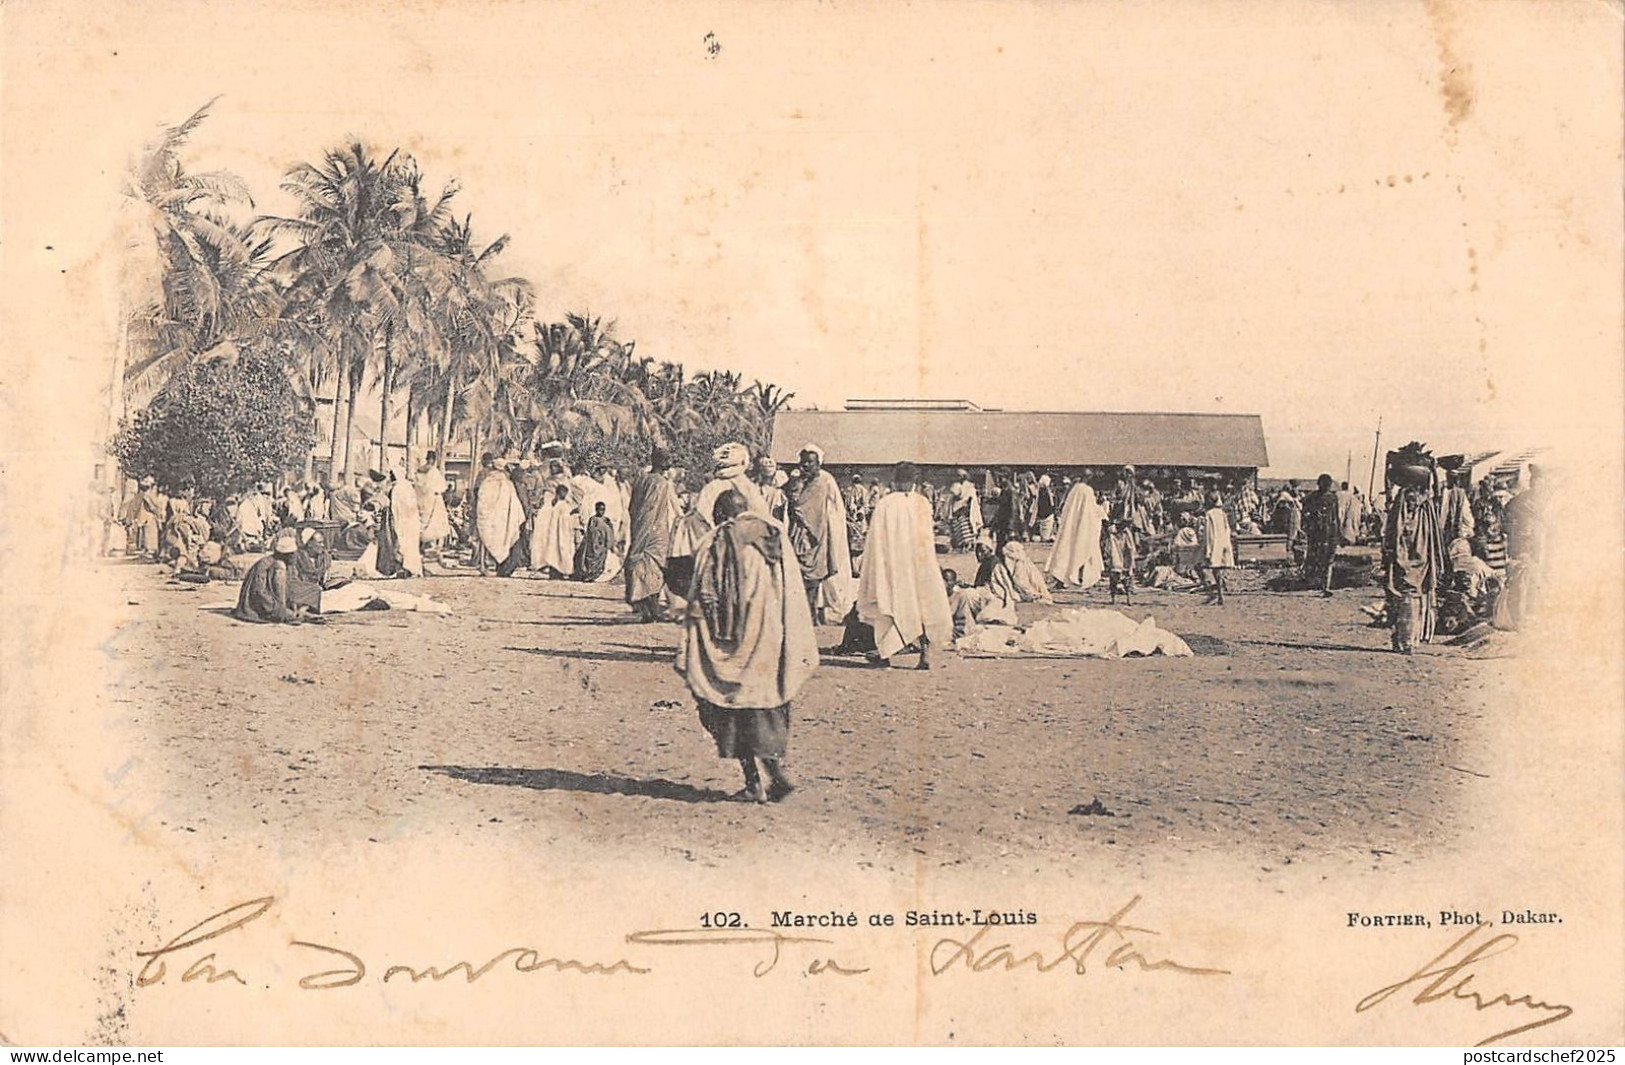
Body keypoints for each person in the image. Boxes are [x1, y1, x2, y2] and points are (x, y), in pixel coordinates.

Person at [676, 489, 817, 804]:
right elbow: (791, 591)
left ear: (723, 513)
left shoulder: (715, 541)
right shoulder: (774, 535)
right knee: (765, 705)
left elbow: (704, 595)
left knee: (728, 707)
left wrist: (693, 639)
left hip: (731, 645)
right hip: (768, 637)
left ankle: (754, 782)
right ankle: (775, 773)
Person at [856, 462, 954, 669]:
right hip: (919, 565)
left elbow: (875, 539)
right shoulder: (923, 503)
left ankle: (885, 654)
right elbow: (928, 539)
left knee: (889, 604)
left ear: (895, 479)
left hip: (893, 566)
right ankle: (924, 656)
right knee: (923, 606)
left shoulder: (886, 503)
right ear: (914, 481)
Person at [784, 443, 853, 625]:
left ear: (818, 464)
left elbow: (808, 508)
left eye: (810, 463)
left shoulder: (823, 481)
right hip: (799, 533)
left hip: (817, 534)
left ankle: (813, 615)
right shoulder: (799, 481)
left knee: (814, 577)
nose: (805, 466)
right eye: (803, 462)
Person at [1383, 481, 1444, 655]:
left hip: (1420, 564)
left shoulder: (1424, 517)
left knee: (1415, 603)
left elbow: (1435, 496)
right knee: (1402, 602)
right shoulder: (1398, 520)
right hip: (1402, 564)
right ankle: (1401, 638)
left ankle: (1409, 640)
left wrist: (1432, 473)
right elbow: (1392, 540)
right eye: (1409, 500)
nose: (1413, 503)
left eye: (1415, 500)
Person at [625, 447, 683, 621]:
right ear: (662, 462)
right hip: (655, 531)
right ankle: (652, 610)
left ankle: (646, 609)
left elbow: (633, 507)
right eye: (667, 459)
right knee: (655, 569)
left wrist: (639, 528)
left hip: (641, 528)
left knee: (642, 567)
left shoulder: (641, 479)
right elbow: (651, 509)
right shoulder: (661, 483)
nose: (670, 462)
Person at [233, 533, 308, 624]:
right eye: (293, 554)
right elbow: (259, 593)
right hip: (262, 605)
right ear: (286, 555)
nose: (295, 556)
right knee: (292, 616)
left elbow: (288, 588)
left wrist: (292, 605)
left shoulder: (286, 565)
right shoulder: (265, 565)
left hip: (274, 603)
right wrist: (280, 610)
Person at [1044, 478, 1106, 589]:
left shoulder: (1075, 491)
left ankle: (1062, 579)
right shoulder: (1086, 491)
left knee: (1066, 552)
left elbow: (1067, 510)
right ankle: (1084, 578)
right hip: (1084, 529)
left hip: (1071, 528)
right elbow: (1092, 512)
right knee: (1085, 552)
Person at [474, 454, 525, 577]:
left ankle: (483, 565)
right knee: (504, 539)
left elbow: (481, 497)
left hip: (490, 518)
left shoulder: (487, 481)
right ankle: (497, 565)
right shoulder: (508, 483)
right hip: (504, 519)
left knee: (485, 539)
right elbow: (514, 502)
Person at [1302, 473, 1340, 596]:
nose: (1326, 487)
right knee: (1319, 557)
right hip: (1320, 532)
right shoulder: (1313, 498)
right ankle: (1317, 583)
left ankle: (1324, 585)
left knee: (1325, 558)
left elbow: (1335, 516)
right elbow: (1305, 514)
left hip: (1326, 532)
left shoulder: (1332, 498)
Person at [532, 484, 579, 578]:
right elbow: (566, 519)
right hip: (557, 533)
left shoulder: (557, 504)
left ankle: (557, 571)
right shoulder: (562, 505)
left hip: (558, 533)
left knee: (556, 551)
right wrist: (573, 514)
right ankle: (557, 571)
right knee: (557, 551)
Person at [1200, 489, 1235, 606]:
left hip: (1214, 544)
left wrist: (1207, 550)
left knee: (1200, 568)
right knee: (1218, 571)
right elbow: (1227, 529)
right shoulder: (1222, 513)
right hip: (1223, 543)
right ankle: (1219, 595)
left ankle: (1213, 593)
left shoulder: (1209, 514)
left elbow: (1208, 533)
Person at [416, 451, 451, 562]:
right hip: (432, 499)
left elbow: (418, 486)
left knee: (423, 521)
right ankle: (429, 546)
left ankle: (424, 545)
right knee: (434, 521)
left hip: (421, 499)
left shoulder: (419, 470)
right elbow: (441, 486)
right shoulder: (434, 472)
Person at [288, 528, 332, 612]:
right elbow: (293, 581)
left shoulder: (325, 558)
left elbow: (325, 580)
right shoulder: (297, 558)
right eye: (319, 542)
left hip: (321, 591)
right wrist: (312, 588)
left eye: (323, 542)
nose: (323, 545)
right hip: (304, 591)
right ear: (309, 544)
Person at [125, 477, 165, 559]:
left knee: (147, 532)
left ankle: (148, 549)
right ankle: (149, 549)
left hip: (146, 516)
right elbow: (151, 506)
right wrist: (157, 512)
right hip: (148, 516)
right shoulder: (146, 495)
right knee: (148, 533)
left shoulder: (145, 495)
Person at [573, 501, 615, 581]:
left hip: (602, 545)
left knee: (601, 561)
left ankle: (594, 575)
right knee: (590, 559)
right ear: (596, 510)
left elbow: (609, 531)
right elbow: (591, 532)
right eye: (599, 509)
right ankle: (588, 575)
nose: (601, 511)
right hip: (593, 545)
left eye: (603, 510)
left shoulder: (606, 520)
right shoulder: (593, 519)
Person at [948, 469, 983, 551]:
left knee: (967, 527)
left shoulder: (970, 486)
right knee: (958, 527)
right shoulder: (956, 485)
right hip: (957, 509)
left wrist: (968, 504)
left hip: (967, 509)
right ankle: (960, 545)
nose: (958, 477)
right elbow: (954, 496)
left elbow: (973, 498)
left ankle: (969, 544)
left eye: (959, 476)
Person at [1103, 519, 1136, 604]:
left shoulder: (1125, 533)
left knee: (1122, 578)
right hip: (1119, 557)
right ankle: (1121, 599)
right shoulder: (1117, 533)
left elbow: (1130, 547)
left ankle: (1126, 599)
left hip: (1121, 557)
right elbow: (1131, 547)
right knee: (1120, 578)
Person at [1337, 480, 1364, 546]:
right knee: (1348, 526)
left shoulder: (1338, 494)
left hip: (1340, 510)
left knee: (1340, 525)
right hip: (1347, 511)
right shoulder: (1351, 495)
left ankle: (1343, 540)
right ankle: (1348, 539)